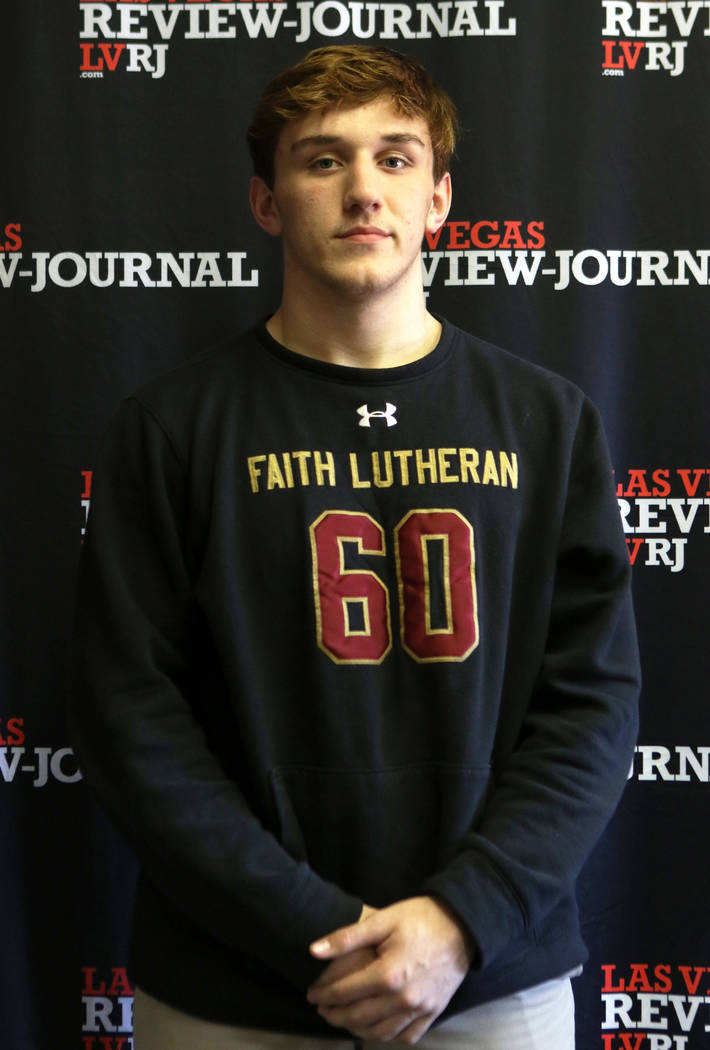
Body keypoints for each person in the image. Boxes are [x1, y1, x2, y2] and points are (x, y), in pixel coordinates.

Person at [71, 45, 641, 1050]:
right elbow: (133, 721)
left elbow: (589, 706)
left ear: (437, 202)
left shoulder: (547, 424)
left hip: (488, 980)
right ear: (266, 201)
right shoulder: (167, 430)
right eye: (321, 160)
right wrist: (315, 933)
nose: (361, 190)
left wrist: (458, 922)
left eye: (394, 158)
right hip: (231, 988)